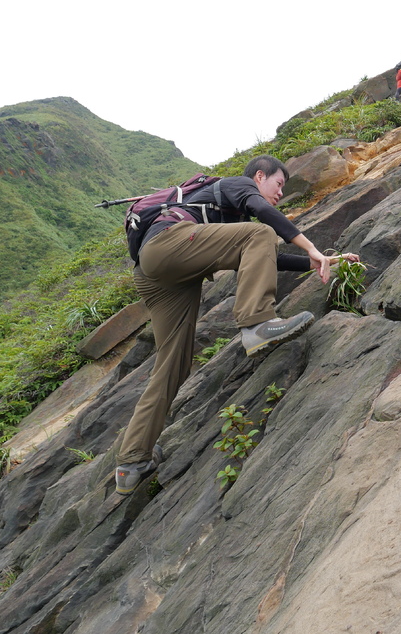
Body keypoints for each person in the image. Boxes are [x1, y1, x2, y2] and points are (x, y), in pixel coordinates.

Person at [114, 154, 358, 495]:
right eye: (278, 185)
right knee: (261, 232)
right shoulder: (237, 185)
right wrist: (311, 245)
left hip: (153, 270)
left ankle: (131, 461)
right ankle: (258, 325)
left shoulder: (229, 217)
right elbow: (265, 222)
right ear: (260, 177)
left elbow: (267, 256)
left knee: (173, 363)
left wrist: (319, 261)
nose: (279, 194)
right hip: (168, 244)